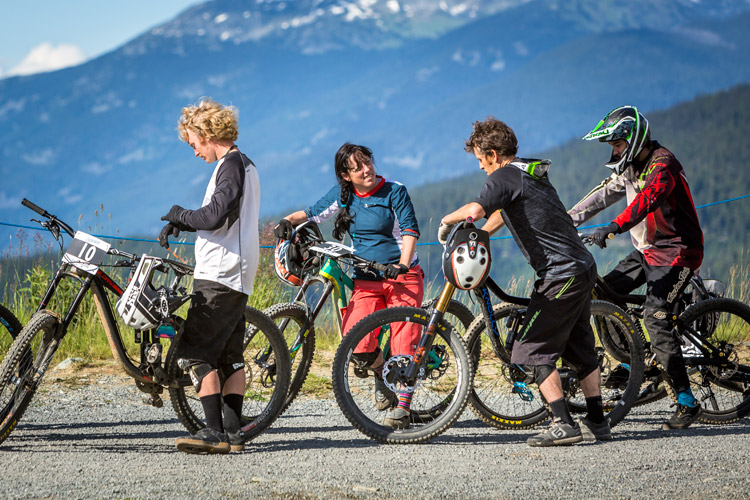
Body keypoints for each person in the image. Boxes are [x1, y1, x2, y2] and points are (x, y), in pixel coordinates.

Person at [439, 117, 608, 446]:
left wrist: (448, 222)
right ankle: (598, 422)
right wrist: (481, 235)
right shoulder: (526, 171)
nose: (481, 168)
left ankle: (563, 424)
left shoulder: (502, 175)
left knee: (530, 349)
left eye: (479, 161)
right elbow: (501, 213)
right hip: (581, 268)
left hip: (560, 273)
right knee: (579, 347)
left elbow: (475, 209)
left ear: (492, 154)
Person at [569, 105, 704, 430]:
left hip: (679, 252)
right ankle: (637, 359)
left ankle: (686, 400)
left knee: (655, 318)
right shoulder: (629, 166)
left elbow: (647, 200)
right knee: (606, 292)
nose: (614, 151)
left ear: (632, 139)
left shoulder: (663, 164)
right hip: (647, 252)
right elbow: (602, 195)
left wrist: (613, 227)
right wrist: (565, 221)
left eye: (616, 145)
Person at [274, 143, 423, 429]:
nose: (367, 170)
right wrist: (286, 222)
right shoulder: (343, 197)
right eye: (358, 167)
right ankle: (382, 375)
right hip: (366, 279)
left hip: (402, 276)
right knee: (358, 345)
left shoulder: (395, 191)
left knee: (404, 343)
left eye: (368, 162)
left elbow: (409, 230)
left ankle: (403, 408)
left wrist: (402, 265)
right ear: (346, 175)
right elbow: (309, 214)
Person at [159, 98, 260, 454]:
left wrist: (179, 214)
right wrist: (183, 221)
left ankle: (213, 433)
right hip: (238, 274)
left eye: (193, 143)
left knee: (195, 353)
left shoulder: (229, 165)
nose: (194, 151)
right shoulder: (244, 165)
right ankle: (233, 435)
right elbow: (223, 216)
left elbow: (215, 215)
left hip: (219, 274)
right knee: (229, 356)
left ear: (205, 133)